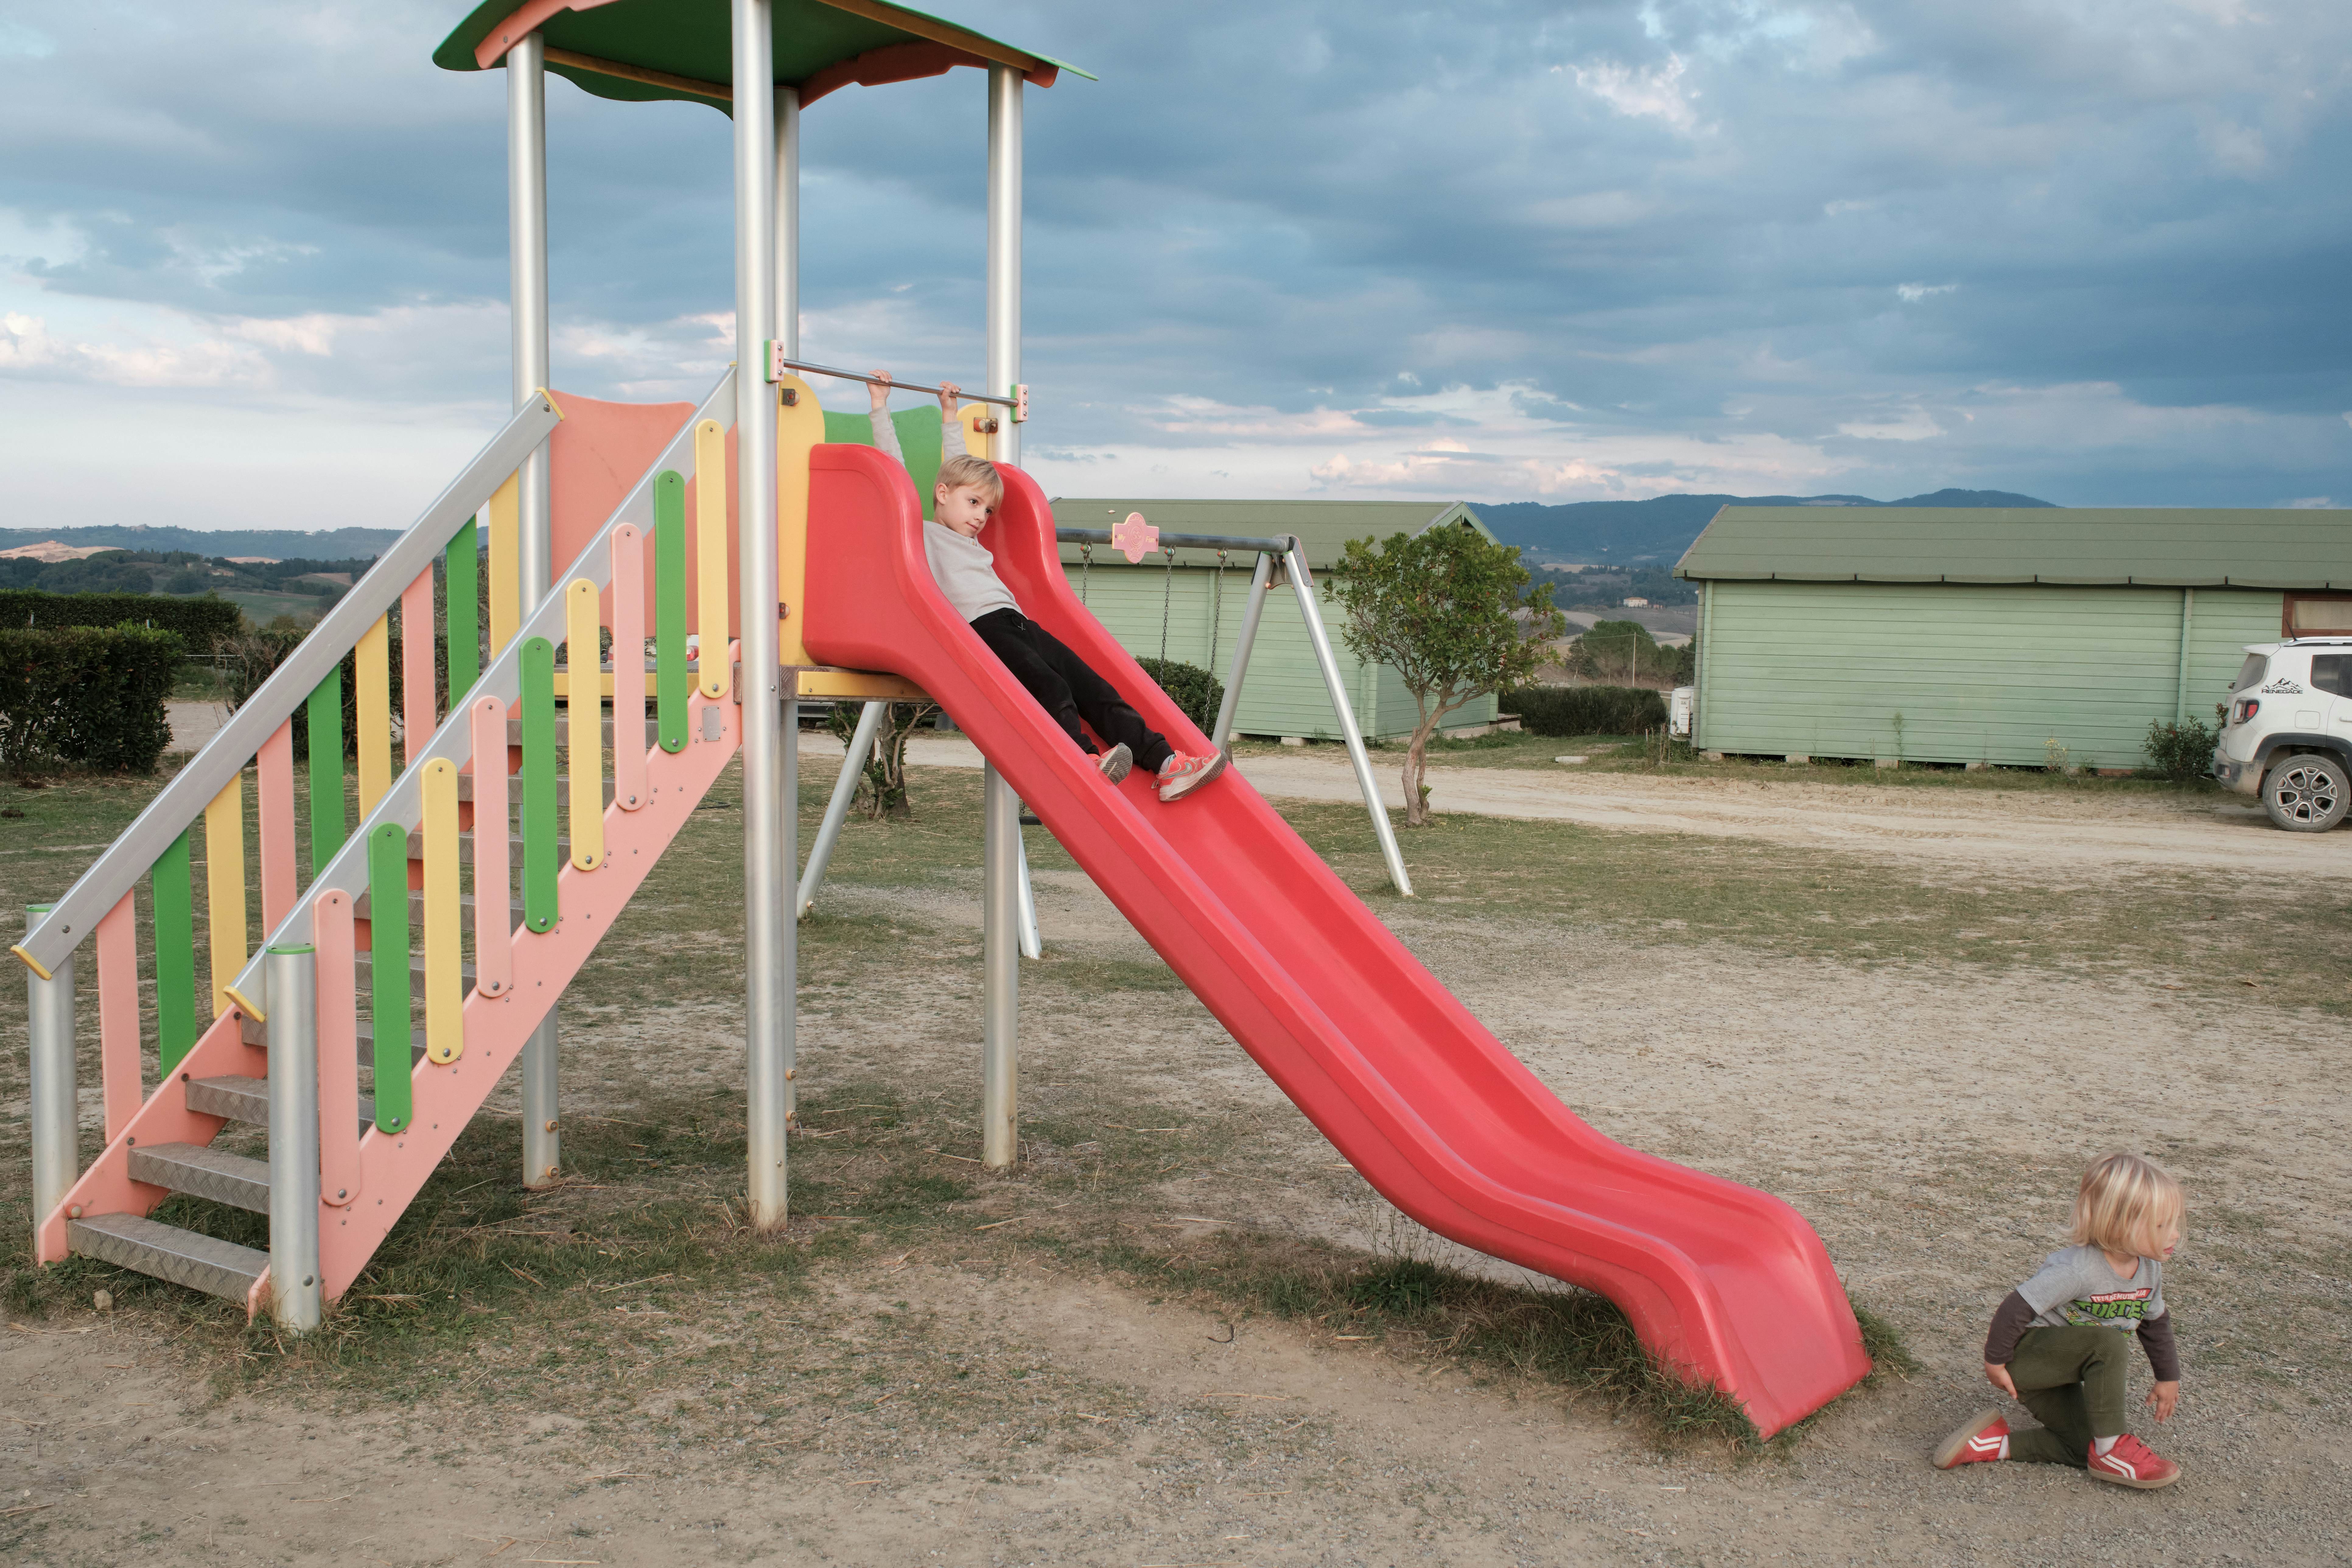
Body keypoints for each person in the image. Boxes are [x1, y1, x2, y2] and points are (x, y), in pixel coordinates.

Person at [865, 370, 1227, 803]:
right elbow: (896, 473)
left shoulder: (971, 537)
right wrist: (879, 405)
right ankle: (1082, 760)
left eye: (989, 509)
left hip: (1019, 623)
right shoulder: (921, 534)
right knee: (1049, 688)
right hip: (981, 628)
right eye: (973, 504)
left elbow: (961, 469)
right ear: (941, 494)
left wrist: (951, 413)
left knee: (1094, 687)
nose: (981, 516)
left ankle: (1166, 764)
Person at [1932, 1152, 2185, 1489]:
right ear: (2119, 1222)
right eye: (2161, 1225)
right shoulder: (2078, 1269)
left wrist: (2168, 1377)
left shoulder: (2150, 1269)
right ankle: (2113, 1449)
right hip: (2028, 1361)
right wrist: (1996, 1362)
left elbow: (2155, 1322)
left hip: (2066, 1370)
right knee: (2107, 1343)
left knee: (2084, 1447)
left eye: (2175, 1223)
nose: (2175, 1235)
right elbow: (2016, 1306)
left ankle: (1992, 1444)